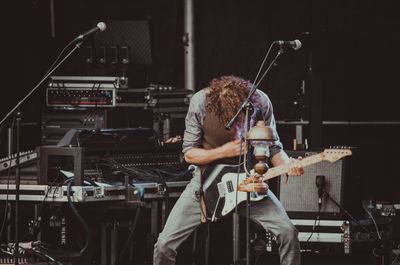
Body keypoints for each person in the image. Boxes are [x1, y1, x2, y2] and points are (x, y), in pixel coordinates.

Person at [153, 75, 304, 265]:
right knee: (164, 245)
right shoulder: (200, 102)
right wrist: (222, 151)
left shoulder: (261, 102)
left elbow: (274, 149)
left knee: (288, 233)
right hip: (205, 183)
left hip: (248, 183)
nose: (240, 129)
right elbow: (189, 154)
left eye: (244, 122)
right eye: (235, 123)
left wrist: (289, 166)